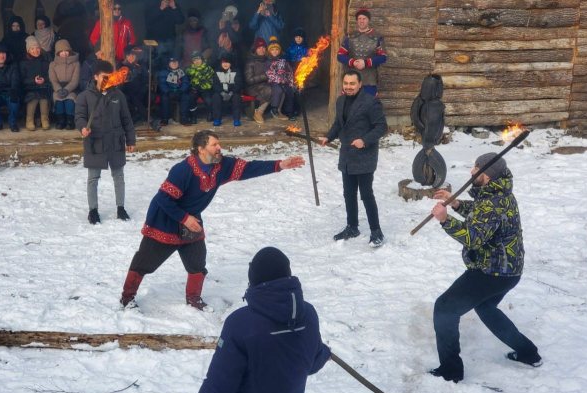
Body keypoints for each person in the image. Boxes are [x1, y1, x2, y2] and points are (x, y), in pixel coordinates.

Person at [119, 131, 305, 310]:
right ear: (201, 148)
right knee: (145, 262)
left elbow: (248, 168)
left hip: (192, 219)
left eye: (218, 144)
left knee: (197, 263)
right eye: (214, 144)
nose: (219, 148)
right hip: (165, 220)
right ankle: (127, 299)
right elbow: (163, 198)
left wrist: (279, 165)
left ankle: (193, 300)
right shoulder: (182, 170)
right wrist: (184, 218)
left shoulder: (221, 166)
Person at [428, 154, 542, 383]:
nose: (472, 172)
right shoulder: (498, 193)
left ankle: (451, 371)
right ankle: (528, 353)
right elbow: (482, 215)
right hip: (509, 270)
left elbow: (474, 238)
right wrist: (458, 204)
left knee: (445, 308)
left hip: (492, 271)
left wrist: (445, 220)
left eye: (476, 168)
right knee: (486, 308)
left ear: (487, 175)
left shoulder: (494, 201)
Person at [196, 247, 331, 393]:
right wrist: (325, 352)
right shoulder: (309, 314)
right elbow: (313, 362)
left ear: (253, 281)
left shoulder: (240, 324)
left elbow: (218, 388)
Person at [320, 71, 387, 247]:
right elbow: (338, 124)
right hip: (347, 155)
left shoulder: (370, 102)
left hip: (365, 155)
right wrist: (328, 137)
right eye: (346, 83)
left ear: (359, 84)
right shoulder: (341, 101)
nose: (348, 86)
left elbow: (382, 127)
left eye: (352, 83)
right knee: (348, 194)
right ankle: (352, 226)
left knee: (366, 194)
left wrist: (364, 140)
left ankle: (376, 230)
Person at [75, 60, 136, 225]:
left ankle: (121, 207)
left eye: (110, 77)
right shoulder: (84, 96)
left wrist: (131, 139)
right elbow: (79, 117)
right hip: (95, 142)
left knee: (119, 176)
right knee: (93, 178)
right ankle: (93, 210)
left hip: (115, 141)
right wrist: (82, 128)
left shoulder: (118, 95)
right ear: (95, 76)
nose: (107, 80)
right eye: (104, 77)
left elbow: (126, 118)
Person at [337, 8, 387, 97]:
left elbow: (383, 57)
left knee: (369, 106)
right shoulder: (350, 37)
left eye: (364, 18)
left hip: (369, 79)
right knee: (348, 106)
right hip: (351, 79)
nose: (361, 21)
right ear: (357, 20)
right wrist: (353, 62)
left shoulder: (377, 38)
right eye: (359, 19)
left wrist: (366, 62)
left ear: (368, 20)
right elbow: (340, 55)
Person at [120, 45, 160, 131]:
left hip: (141, 92)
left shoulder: (140, 66)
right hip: (128, 94)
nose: (131, 58)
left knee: (152, 96)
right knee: (135, 99)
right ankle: (150, 121)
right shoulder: (122, 67)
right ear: (125, 57)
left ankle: (137, 116)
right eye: (128, 56)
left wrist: (143, 91)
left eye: (133, 55)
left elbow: (145, 80)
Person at [20, 36, 51, 131]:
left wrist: (44, 80)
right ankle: (29, 120)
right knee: (32, 100)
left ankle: (44, 120)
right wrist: (33, 81)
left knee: (44, 101)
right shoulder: (23, 63)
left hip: (43, 87)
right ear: (28, 51)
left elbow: (50, 76)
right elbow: (22, 80)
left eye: (37, 48)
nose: (35, 50)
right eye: (32, 48)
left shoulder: (45, 62)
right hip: (30, 88)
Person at [49, 39, 80, 130]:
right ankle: (60, 121)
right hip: (58, 88)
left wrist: (67, 89)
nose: (64, 53)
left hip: (71, 88)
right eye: (61, 51)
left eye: (66, 51)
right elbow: (52, 79)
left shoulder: (76, 63)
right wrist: (58, 89)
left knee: (70, 100)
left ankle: (70, 121)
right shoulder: (53, 64)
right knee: (58, 100)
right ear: (57, 53)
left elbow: (75, 79)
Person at [0, 43, 21, 133]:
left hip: (9, 92)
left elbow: (15, 80)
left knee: (14, 102)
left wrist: (14, 91)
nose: (1, 55)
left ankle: (12, 123)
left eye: (3, 53)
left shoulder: (13, 65)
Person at [145, 0, 185, 67]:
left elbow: (180, 21)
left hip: (169, 43)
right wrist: (160, 8)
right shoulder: (150, 3)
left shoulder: (173, 5)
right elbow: (148, 20)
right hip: (154, 43)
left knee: (169, 66)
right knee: (154, 67)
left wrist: (174, 8)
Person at [265, 36, 295, 121]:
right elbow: (269, 73)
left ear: (279, 50)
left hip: (284, 80)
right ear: (269, 51)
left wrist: (289, 81)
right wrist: (279, 80)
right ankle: (274, 108)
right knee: (278, 90)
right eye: (272, 50)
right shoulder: (268, 62)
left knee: (289, 90)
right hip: (274, 81)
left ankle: (289, 111)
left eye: (276, 49)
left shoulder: (283, 60)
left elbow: (289, 71)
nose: (275, 51)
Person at [244, 37, 271, 124]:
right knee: (270, 90)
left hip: (265, 84)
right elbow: (249, 80)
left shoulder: (268, 60)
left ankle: (277, 112)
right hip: (252, 87)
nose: (262, 50)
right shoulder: (250, 62)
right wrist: (265, 76)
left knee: (279, 88)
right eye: (259, 48)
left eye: (263, 47)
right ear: (255, 49)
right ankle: (259, 113)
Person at [158, 56, 190, 126]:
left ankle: (184, 118)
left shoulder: (182, 72)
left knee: (186, 97)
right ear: (169, 64)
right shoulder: (164, 72)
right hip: (168, 92)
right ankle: (164, 119)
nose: (174, 64)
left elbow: (185, 83)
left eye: (176, 62)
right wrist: (168, 91)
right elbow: (162, 84)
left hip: (179, 91)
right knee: (164, 99)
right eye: (172, 62)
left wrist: (181, 91)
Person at [212, 53, 242, 127]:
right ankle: (217, 118)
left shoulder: (235, 71)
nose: (225, 64)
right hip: (221, 91)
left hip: (232, 91)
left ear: (231, 63)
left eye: (227, 62)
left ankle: (236, 119)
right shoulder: (216, 71)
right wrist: (221, 92)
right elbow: (215, 84)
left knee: (237, 99)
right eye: (224, 63)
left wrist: (231, 92)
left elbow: (239, 83)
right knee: (216, 98)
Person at [186, 51, 214, 124]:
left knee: (208, 100)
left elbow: (210, 82)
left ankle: (210, 114)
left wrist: (201, 87)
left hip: (205, 89)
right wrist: (192, 87)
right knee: (190, 98)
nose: (197, 61)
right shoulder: (189, 70)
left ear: (201, 59)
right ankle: (193, 116)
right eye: (194, 60)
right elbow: (186, 81)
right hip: (194, 90)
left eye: (198, 59)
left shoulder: (208, 69)